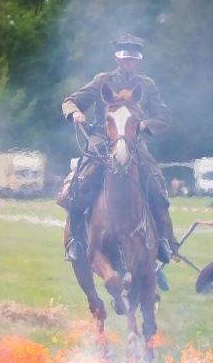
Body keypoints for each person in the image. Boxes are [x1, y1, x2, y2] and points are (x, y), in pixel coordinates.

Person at [60, 34, 178, 264]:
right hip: (101, 139)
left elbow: (164, 116)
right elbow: (70, 100)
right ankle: (75, 239)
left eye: (133, 59)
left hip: (134, 141)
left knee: (155, 183)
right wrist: (75, 112)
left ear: (138, 61)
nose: (129, 63)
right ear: (117, 58)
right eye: (125, 59)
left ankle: (164, 239)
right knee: (82, 181)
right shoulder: (101, 80)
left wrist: (144, 124)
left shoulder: (147, 84)